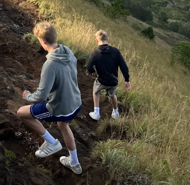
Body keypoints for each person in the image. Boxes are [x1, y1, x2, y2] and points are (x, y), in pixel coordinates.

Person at [17, 22, 83, 175]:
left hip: (61, 107)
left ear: (43, 41)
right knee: (63, 125)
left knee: (22, 113)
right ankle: (74, 162)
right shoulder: (68, 52)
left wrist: (28, 97)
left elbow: (41, 96)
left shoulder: (50, 64)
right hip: (76, 102)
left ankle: (52, 143)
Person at [87, 30, 130, 121]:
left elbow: (89, 66)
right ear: (107, 39)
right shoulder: (115, 51)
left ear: (97, 41)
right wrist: (127, 80)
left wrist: (92, 71)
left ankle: (96, 113)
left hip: (102, 80)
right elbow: (123, 66)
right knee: (112, 94)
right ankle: (115, 113)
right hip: (113, 80)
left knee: (96, 91)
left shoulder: (95, 53)